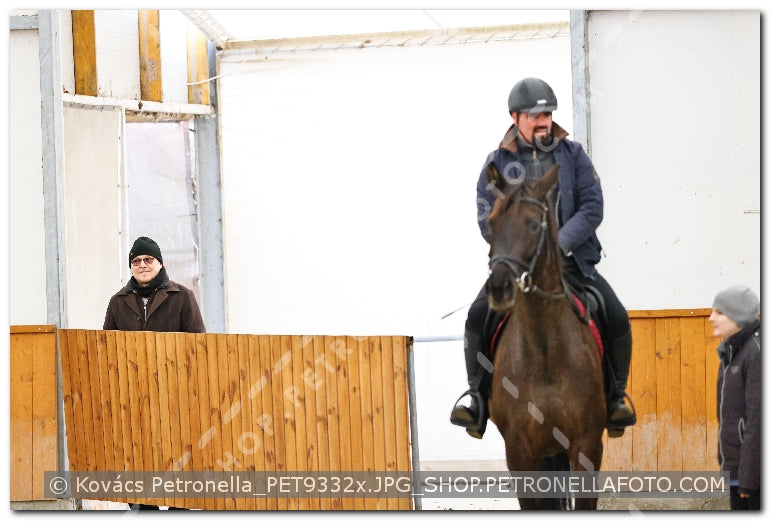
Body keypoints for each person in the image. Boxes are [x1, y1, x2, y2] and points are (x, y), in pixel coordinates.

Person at [449, 77, 636, 439]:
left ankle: (614, 399)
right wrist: (515, 254)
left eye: (547, 113)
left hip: (572, 264)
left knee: (615, 313)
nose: (544, 121)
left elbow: (592, 207)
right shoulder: (498, 163)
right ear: (515, 117)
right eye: (535, 115)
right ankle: (478, 401)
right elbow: (489, 215)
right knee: (477, 315)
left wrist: (559, 243)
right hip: (516, 267)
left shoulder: (573, 155)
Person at [104, 236, 205, 510]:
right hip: (133, 395)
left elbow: (198, 344)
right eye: (136, 261)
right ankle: (142, 509)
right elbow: (106, 348)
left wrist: (187, 385)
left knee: (176, 455)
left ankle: (178, 508)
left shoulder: (182, 296)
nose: (142, 265)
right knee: (137, 455)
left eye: (148, 259)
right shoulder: (118, 302)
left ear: (159, 263)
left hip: (175, 395)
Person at [709, 285, 760, 510]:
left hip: (755, 477)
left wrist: (748, 479)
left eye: (719, 312)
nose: (711, 318)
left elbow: (758, 423)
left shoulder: (756, 352)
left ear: (737, 316)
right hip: (740, 471)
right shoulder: (731, 351)